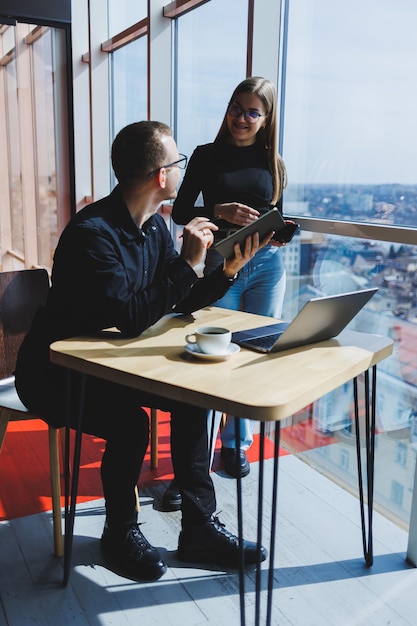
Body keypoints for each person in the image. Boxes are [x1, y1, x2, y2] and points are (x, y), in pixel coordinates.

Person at [14, 121, 271, 582]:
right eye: (178, 162)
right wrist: (190, 262)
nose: (180, 170)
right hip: (55, 372)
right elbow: (131, 317)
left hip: (113, 364)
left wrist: (225, 269)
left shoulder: (152, 228)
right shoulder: (93, 233)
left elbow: (177, 299)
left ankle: (198, 530)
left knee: (195, 399)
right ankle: (120, 533)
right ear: (160, 175)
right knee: (131, 423)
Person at [164, 77, 288, 509]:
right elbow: (180, 211)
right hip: (221, 264)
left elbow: (276, 214)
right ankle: (193, 465)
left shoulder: (274, 160)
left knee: (256, 351)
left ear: (266, 119)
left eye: (252, 112)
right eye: (236, 108)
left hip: (266, 266)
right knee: (213, 360)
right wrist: (218, 210)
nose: (241, 118)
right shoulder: (205, 155)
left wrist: (279, 232)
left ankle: (236, 444)